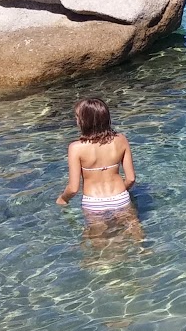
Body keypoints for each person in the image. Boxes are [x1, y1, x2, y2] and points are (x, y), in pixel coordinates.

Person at [56, 97, 140, 234]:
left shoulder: (76, 148)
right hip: (120, 197)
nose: (76, 121)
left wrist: (62, 199)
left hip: (94, 203)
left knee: (99, 247)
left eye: (77, 117)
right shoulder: (121, 140)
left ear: (85, 121)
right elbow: (131, 179)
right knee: (136, 235)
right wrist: (117, 194)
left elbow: (73, 188)